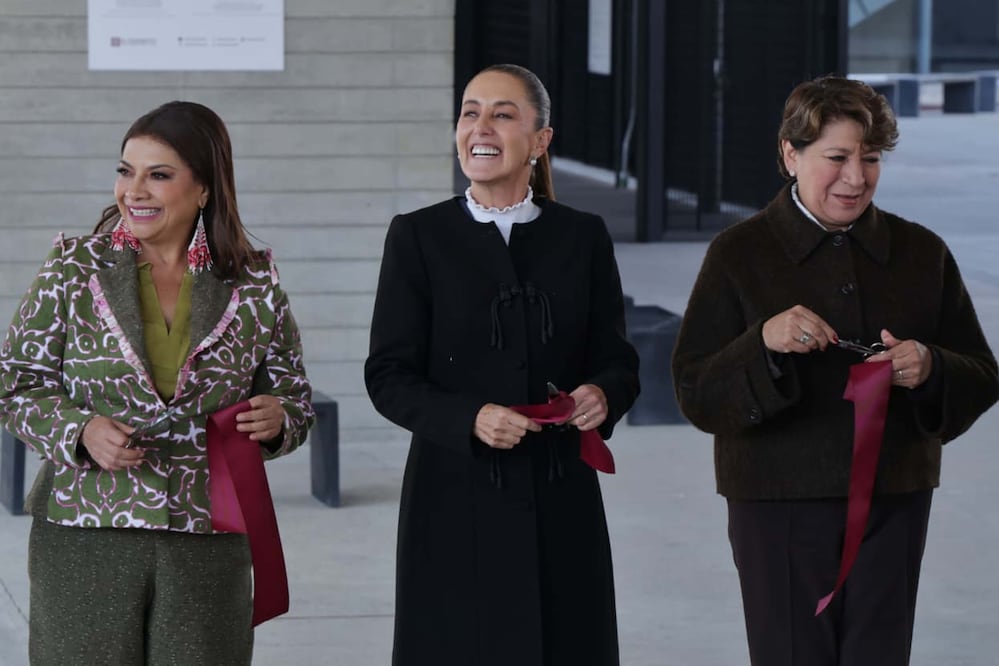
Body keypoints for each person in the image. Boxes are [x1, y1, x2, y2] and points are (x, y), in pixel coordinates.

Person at [672, 74, 999, 666]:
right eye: (838, 157)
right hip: (777, 504)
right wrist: (763, 343)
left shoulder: (923, 253)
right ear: (790, 155)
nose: (856, 178)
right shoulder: (739, 253)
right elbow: (695, 389)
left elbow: (982, 371)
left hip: (894, 500)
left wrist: (931, 366)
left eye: (871, 159)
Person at [0, 101, 314, 665]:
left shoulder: (254, 279)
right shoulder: (74, 267)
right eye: (126, 171)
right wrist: (81, 429)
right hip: (85, 531)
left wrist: (278, 421)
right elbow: (14, 383)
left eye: (158, 174)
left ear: (204, 188)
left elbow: (293, 396)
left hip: (210, 534)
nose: (134, 190)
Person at [365, 63, 640, 666]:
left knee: (567, 641)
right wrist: (470, 417)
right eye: (470, 112)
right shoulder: (418, 236)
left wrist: (603, 393)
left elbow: (617, 358)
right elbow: (387, 375)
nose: (480, 127)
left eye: (502, 113)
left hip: (560, 488)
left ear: (540, 141)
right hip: (454, 493)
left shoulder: (583, 236)